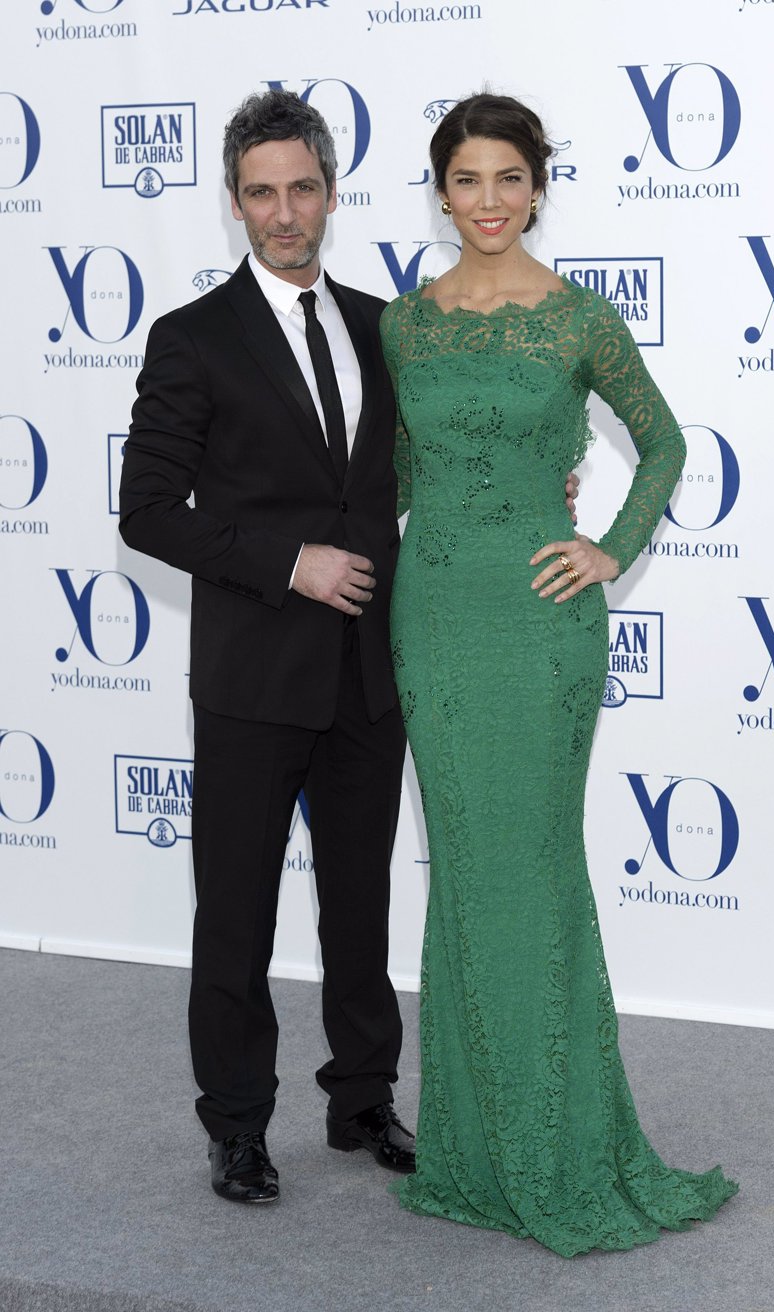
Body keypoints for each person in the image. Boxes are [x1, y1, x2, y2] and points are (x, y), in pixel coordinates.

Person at [379, 93, 738, 1256]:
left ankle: (559, 1146)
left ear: (538, 188)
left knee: (531, 866)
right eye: (465, 179)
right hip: (435, 617)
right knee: (463, 871)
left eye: (508, 177)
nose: (487, 200)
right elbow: (397, 469)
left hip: (541, 627)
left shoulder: (580, 318)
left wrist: (606, 547)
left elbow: (665, 442)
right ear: (439, 192)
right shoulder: (402, 324)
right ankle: (473, 1153)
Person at [118, 90, 417, 1203]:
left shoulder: (387, 327)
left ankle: (362, 1099)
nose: (283, 213)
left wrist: (536, 487)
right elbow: (147, 512)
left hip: (368, 672)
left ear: (331, 193)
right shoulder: (192, 336)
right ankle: (238, 1125)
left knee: (360, 903)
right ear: (234, 202)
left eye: (301, 189)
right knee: (236, 913)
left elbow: (425, 471)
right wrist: (289, 562)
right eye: (261, 193)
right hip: (252, 673)